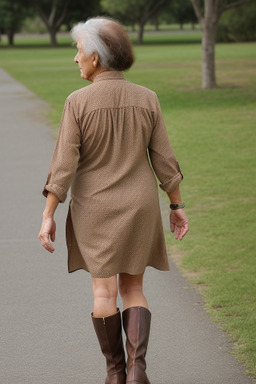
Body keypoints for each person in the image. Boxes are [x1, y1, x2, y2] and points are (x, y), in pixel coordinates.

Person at [38, 16, 189, 384]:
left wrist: (48, 214)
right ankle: (139, 372)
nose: (75, 58)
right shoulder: (147, 98)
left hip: (95, 209)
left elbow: (63, 166)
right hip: (140, 206)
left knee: (104, 291)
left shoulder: (77, 102)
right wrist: (176, 205)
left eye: (78, 50)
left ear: (96, 56)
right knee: (134, 288)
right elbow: (164, 159)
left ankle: (115, 373)